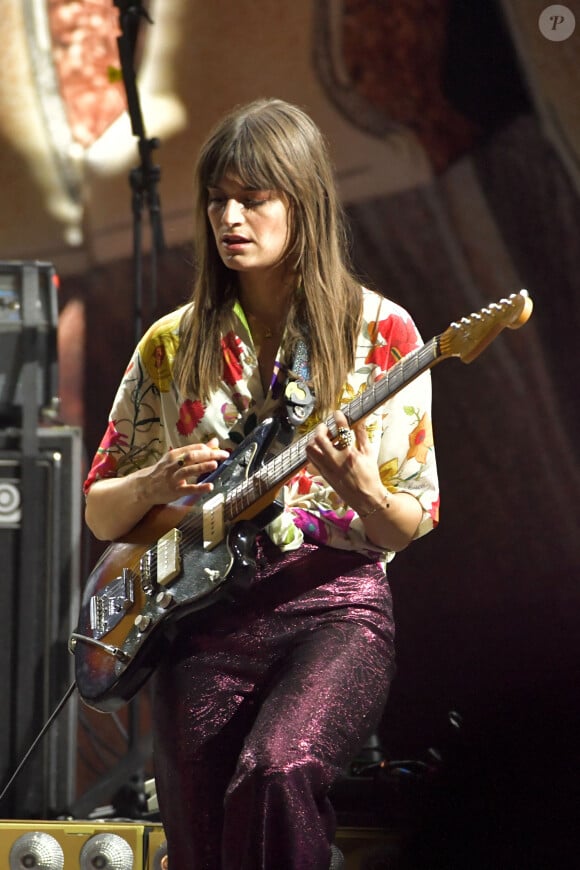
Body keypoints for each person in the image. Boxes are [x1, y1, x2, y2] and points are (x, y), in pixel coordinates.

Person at [83, 98, 439, 870]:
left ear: (302, 204)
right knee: (203, 840)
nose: (230, 218)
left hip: (334, 609)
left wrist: (359, 488)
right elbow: (101, 511)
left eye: (253, 198)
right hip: (204, 621)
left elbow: (408, 520)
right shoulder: (172, 343)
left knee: (277, 771)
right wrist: (153, 479)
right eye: (217, 200)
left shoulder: (384, 333)